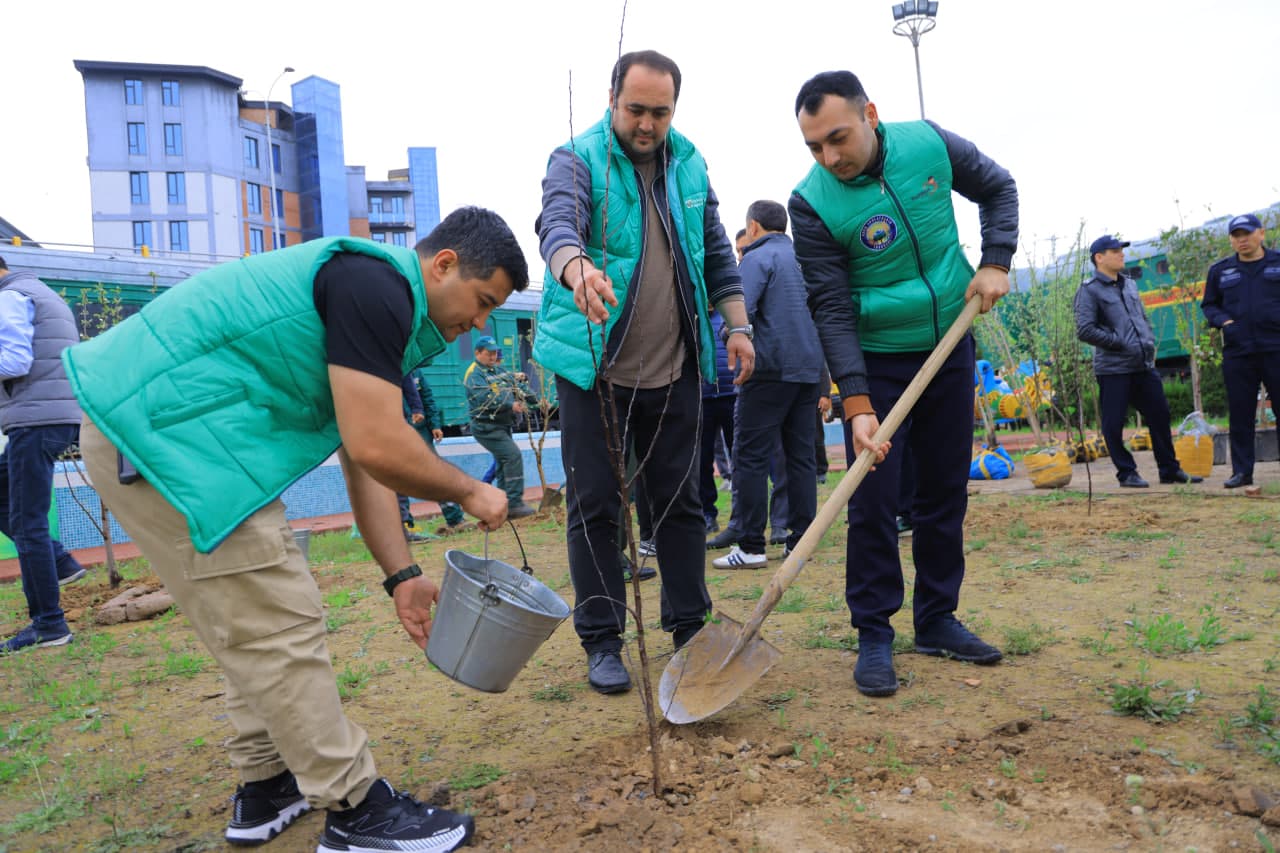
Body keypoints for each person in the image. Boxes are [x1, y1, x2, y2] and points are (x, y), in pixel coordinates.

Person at [63, 207, 528, 852]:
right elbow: (376, 443)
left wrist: (402, 575)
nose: (480, 324)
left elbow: (363, 454)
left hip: (166, 435)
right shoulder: (375, 286)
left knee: (255, 617)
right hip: (165, 436)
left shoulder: (375, 298)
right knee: (279, 615)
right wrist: (471, 488)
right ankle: (358, 812)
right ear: (443, 264)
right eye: (482, 302)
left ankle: (268, 782)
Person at [533, 49, 755, 695]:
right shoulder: (575, 158)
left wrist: (736, 325)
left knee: (683, 504)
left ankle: (690, 628)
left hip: (675, 366)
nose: (648, 124)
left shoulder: (689, 163)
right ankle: (603, 639)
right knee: (596, 504)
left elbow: (716, 250)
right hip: (594, 371)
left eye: (661, 112)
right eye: (636, 109)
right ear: (612, 101)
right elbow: (557, 224)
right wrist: (578, 271)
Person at [789, 70, 1015, 698]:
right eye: (814, 147)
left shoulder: (930, 146)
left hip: (949, 340)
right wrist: (856, 402)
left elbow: (998, 188)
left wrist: (995, 259)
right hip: (878, 359)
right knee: (872, 499)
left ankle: (938, 619)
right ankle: (873, 634)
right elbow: (831, 307)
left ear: (871, 114)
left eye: (837, 138)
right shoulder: (812, 204)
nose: (829, 157)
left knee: (944, 488)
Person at [713, 201, 823, 570]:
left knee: (750, 457)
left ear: (754, 227)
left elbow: (740, 309)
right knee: (801, 457)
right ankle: (801, 541)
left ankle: (750, 546)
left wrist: (730, 332)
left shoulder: (755, 260)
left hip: (768, 370)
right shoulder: (805, 259)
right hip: (808, 370)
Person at [0, 256, 87, 654]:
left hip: (35, 420)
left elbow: (15, 361)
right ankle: (61, 562)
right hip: (55, 415)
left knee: (26, 520)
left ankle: (49, 625)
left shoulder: (10, 297)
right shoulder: (39, 291)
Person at [1074, 234, 1202, 488]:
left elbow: (1141, 317)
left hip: (1142, 365)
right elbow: (1085, 330)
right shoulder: (1089, 290)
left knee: (1160, 415)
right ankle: (1126, 473)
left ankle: (1169, 469)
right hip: (1113, 369)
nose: (1121, 254)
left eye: (1121, 250)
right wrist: (1119, 342)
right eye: (1115, 251)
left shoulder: (1129, 285)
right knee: (1113, 424)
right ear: (1099, 258)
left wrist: (1148, 340)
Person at [1201, 214, 1280, 489]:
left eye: (1246, 233)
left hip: (1275, 348)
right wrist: (1224, 322)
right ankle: (1242, 472)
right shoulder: (1220, 271)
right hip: (1239, 352)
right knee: (1240, 413)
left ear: (1261, 233)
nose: (1241, 239)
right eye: (1236, 235)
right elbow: (1209, 306)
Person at [464, 336, 538, 519]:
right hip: (486, 427)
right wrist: (510, 405)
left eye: (494, 353)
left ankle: (504, 504)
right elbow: (485, 398)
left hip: (501, 425)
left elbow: (516, 385)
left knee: (503, 462)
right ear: (477, 353)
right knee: (512, 456)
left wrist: (535, 400)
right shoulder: (475, 375)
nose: (492, 357)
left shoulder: (496, 370)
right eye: (488, 353)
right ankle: (513, 503)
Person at [398, 369, 467, 536]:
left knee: (437, 475)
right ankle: (404, 525)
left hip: (421, 434)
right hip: (397, 434)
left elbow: (428, 398)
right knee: (398, 478)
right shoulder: (383, 369)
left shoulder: (416, 372)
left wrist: (435, 424)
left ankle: (455, 519)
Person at [700, 310, 737, 534]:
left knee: (740, 456)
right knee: (702, 461)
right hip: (703, 398)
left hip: (732, 395)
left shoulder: (730, 317)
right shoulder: (695, 318)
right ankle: (707, 514)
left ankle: (740, 513)